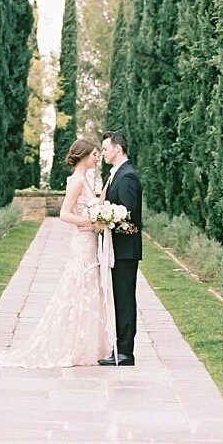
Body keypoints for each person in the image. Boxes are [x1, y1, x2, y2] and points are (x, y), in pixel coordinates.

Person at [0, 138, 110, 367]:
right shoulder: (76, 181)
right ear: (84, 155)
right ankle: (73, 346)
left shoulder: (86, 181)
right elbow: (65, 214)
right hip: (82, 242)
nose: (97, 158)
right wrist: (89, 221)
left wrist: (104, 203)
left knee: (88, 289)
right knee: (80, 287)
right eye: (94, 154)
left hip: (89, 241)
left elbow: (92, 205)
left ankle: (86, 344)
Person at [97, 130, 141, 367]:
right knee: (119, 299)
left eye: (105, 148)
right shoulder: (117, 174)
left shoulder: (127, 177)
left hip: (124, 250)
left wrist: (106, 219)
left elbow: (127, 215)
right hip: (117, 249)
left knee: (124, 300)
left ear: (118, 149)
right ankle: (119, 348)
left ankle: (125, 352)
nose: (103, 152)